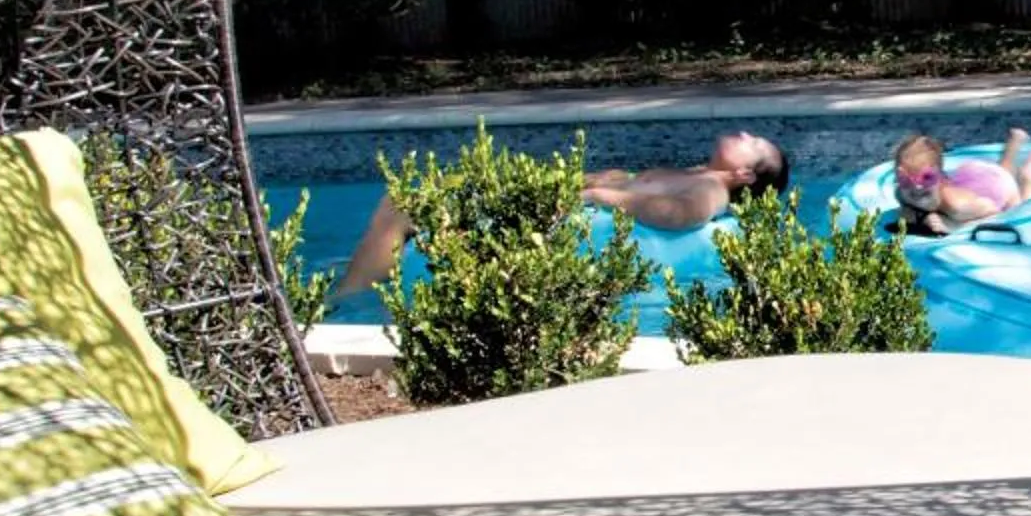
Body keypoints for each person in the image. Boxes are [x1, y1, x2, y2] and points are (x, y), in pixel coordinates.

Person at [334, 130, 789, 297]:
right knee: (408, 197)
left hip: (568, 219)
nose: (745, 131)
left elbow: (680, 214)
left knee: (403, 207)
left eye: (754, 142)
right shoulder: (698, 171)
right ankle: (362, 284)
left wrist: (607, 198)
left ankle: (345, 300)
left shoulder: (711, 189)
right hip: (562, 200)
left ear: (746, 174)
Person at [891, 126, 1031, 236]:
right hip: (973, 178)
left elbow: (994, 212)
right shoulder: (902, 193)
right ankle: (1014, 142)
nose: (916, 187)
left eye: (926, 178)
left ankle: (1027, 176)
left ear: (940, 176)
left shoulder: (958, 207)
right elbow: (905, 209)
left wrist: (955, 226)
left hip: (998, 187)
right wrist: (922, 217)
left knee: (1020, 210)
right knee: (1002, 169)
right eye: (904, 179)